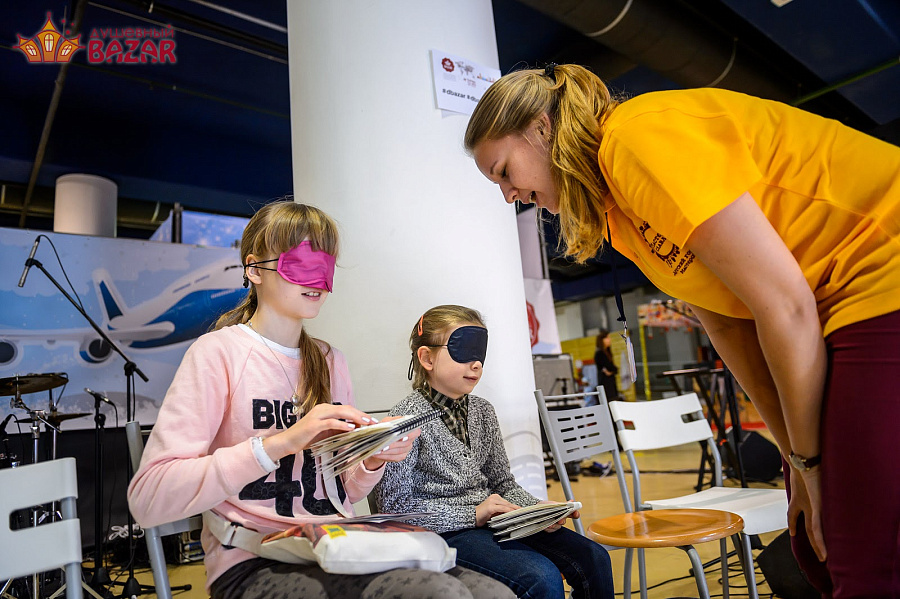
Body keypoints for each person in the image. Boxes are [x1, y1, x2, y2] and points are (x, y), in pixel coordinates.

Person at [464, 64, 900, 598]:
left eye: (504, 171)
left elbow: (785, 306)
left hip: (880, 263)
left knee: (859, 548)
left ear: (541, 127)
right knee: (812, 543)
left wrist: (813, 464)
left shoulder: (634, 139)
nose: (508, 195)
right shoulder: (617, 215)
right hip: (831, 299)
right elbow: (727, 323)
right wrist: (795, 457)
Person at [127, 201, 514, 599]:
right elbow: (149, 498)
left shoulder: (330, 362)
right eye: (300, 261)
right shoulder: (217, 354)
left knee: (497, 594)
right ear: (254, 269)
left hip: (338, 544)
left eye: (325, 263)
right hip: (252, 560)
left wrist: (372, 458)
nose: (317, 277)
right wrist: (282, 442)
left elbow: (342, 491)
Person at [375, 305, 614, 599]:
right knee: (541, 577)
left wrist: (537, 510)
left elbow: (502, 483)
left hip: (496, 523)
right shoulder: (404, 419)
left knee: (595, 558)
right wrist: (472, 515)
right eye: (464, 351)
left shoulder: (483, 411)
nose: (476, 364)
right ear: (427, 358)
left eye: (480, 353)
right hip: (445, 533)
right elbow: (395, 509)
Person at [593, 329, 618, 403]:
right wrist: (612, 370)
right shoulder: (600, 353)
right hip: (605, 384)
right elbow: (608, 367)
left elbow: (613, 369)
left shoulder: (608, 352)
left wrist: (613, 370)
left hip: (611, 383)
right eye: (607, 338)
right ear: (602, 340)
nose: (609, 340)